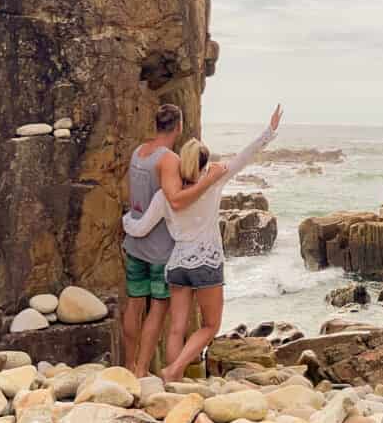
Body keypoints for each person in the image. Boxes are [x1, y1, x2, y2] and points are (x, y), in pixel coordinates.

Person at [122, 104, 284, 382]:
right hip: (206, 263)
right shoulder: (213, 183)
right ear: (204, 164)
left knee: (176, 328)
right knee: (210, 325)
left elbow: (140, 226)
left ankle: (171, 381)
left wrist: (125, 220)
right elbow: (243, 158)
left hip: (176, 265)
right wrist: (268, 132)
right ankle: (174, 370)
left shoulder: (164, 195)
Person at [121, 103, 228, 377]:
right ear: (179, 126)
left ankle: (128, 365)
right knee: (157, 311)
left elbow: (140, 200)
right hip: (159, 249)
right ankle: (142, 370)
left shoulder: (138, 153)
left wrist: (127, 222)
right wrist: (209, 182)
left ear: (156, 123)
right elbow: (177, 200)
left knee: (134, 304)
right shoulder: (168, 159)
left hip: (135, 244)